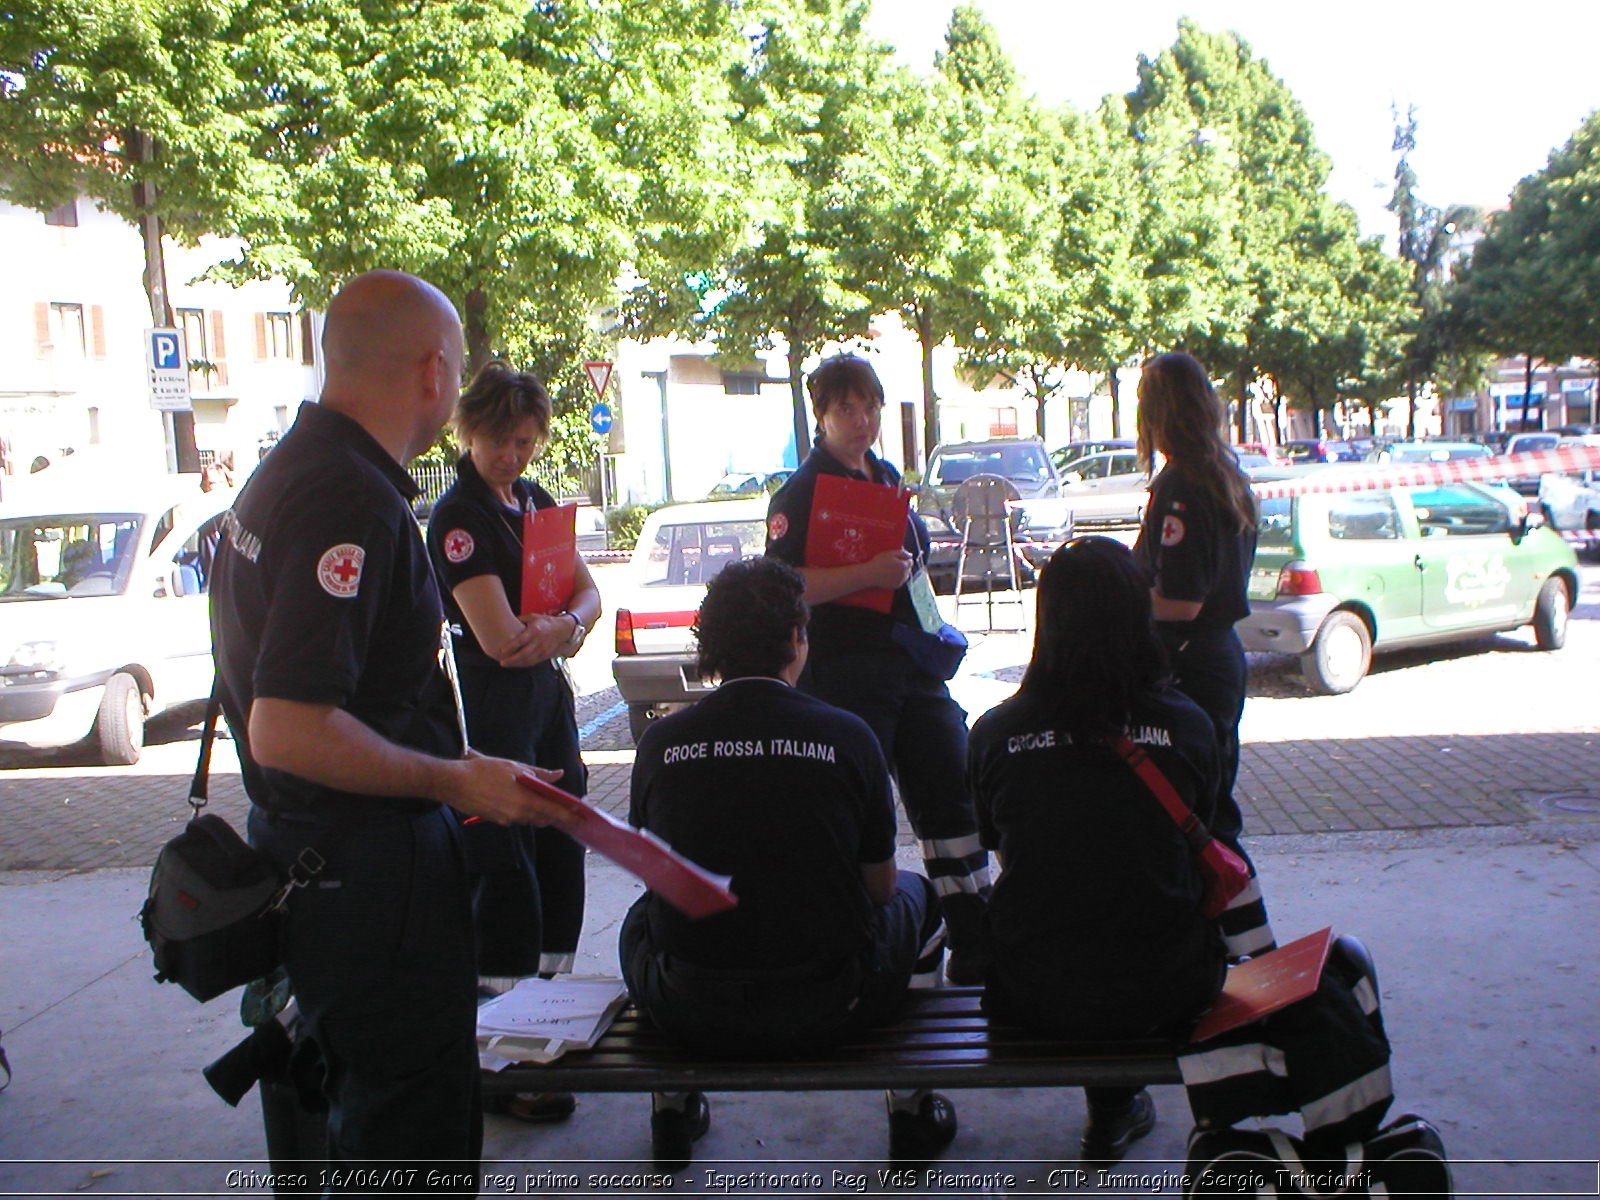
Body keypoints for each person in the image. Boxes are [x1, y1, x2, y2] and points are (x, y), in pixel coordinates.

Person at [209, 270, 577, 1193]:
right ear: (433, 370)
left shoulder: (289, 473)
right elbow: (287, 727)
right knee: (411, 1135)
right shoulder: (350, 502)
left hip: (328, 868)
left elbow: (351, 698)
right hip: (370, 887)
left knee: (373, 1122)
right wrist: (454, 783)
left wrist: (458, 757)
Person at [969, 538, 1394, 1167]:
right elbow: (1218, 854)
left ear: (1048, 619)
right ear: (1137, 615)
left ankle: (1113, 1110)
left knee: (1083, 907)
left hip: (1032, 995)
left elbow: (1007, 852)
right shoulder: (1189, 726)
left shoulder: (996, 734)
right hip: (1168, 989)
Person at [620, 556, 953, 1167]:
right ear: (798, 639)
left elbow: (656, 877)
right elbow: (880, 891)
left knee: (640, 919)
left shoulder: (661, 744)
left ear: (709, 645)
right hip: (831, 1002)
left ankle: (670, 1108)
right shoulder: (849, 736)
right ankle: (909, 1106)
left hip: (690, 1004)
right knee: (921, 898)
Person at [765, 354, 990, 983]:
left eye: (869, 407)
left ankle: (974, 938)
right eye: (846, 409)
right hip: (845, 672)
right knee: (861, 811)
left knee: (951, 789)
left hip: (912, 668)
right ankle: (861, 942)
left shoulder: (886, 475)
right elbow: (783, 586)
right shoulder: (801, 494)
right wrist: (865, 575)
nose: (861, 420)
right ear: (821, 416)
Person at [426, 361, 600, 1123]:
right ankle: (499, 1065)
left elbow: (590, 595)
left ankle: (544, 1035)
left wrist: (562, 626)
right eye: (502, 440)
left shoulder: (531, 503)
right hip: (493, 732)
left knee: (560, 886)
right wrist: (563, 627)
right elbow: (500, 643)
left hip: (549, 720)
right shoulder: (460, 520)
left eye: (527, 441)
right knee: (509, 899)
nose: (515, 456)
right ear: (470, 431)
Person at [1132, 351, 1273, 960]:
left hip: (1187, 665)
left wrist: (1118, 600)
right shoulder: (1225, 473)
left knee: (1197, 818)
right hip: (1218, 659)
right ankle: (1239, 945)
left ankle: (1236, 950)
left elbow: (1181, 600)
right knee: (1211, 806)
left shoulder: (1182, 485)